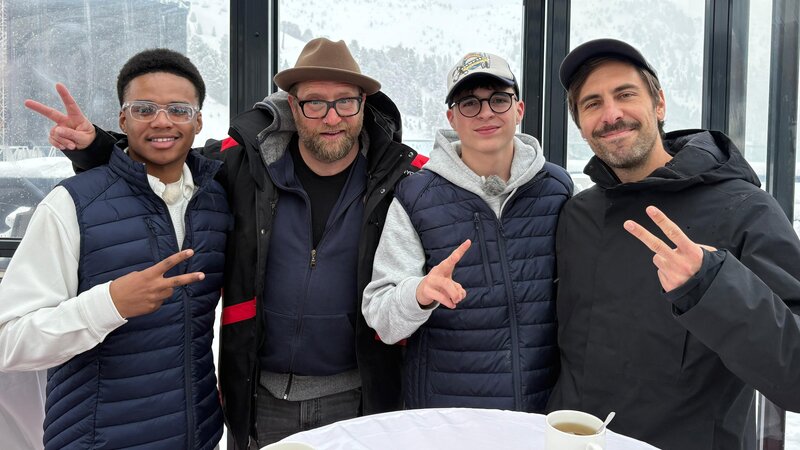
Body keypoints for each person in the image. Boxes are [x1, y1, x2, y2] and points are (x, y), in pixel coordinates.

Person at [28, 38, 424, 449]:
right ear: (292, 106)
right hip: (258, 399)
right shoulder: (241, 164)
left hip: (362, 396)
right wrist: (96, 149)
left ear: (363, 104)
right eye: (315, 103)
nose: (331, 117)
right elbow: (164, 158)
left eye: (345, 102)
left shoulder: (398, 179)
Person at [549, 38, 800, 450]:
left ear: (659, 104)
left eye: (625, 94)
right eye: (592, 103)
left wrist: (713, 287)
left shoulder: (745, 209)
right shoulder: (578, 214)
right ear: (580, 123)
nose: (611, 114)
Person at [0, 48, 230, 449]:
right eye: (144, 109)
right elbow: (8, 341)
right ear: (123, 119)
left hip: (200, 434)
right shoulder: (71, 204)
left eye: (178, 109)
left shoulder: (216, 200)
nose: (162, 121)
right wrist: (108, 304)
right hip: (97, 439)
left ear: (198, 121)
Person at [362, 52, 571, 411]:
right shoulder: (417, 197)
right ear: (451, 119)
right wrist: (420, 294)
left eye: (499, 99)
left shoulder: (557, 188)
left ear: (518, 110)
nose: (486, 112)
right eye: (470, 102)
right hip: (449, 415)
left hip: (543, 411)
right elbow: (381, 316)